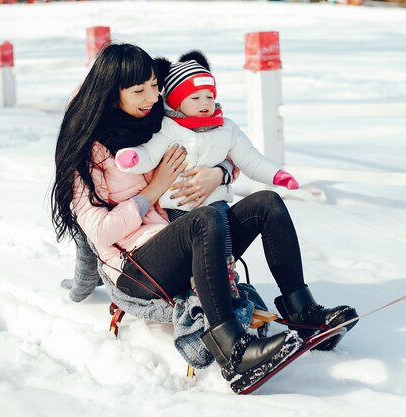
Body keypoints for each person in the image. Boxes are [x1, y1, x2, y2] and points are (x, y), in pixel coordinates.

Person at [51, 43, 358, 394]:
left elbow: (215, 144)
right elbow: (99, 233)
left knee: (267, 204)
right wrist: (153, 192)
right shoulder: (84, 155)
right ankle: (232, 351)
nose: (153, 97)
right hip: (136, 268)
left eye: (155, 85)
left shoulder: (152, 121)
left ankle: (302, 313)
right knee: (206, 219)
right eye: (140, 90)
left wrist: (221, 173)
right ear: (109, 94)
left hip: (182, 239)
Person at [114, 50, 299, 300]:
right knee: (202, 229)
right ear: (177, 102)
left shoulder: (226, 128)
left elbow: (250, 158)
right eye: (195, 97)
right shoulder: (168, 129)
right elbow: (149, 154)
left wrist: (276, 175)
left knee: (220, 221)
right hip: (179, 206)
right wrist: (132, 158)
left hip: (215, 202)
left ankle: (239, 281)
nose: (205, 103)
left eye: (209, 96)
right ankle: (204, 282)